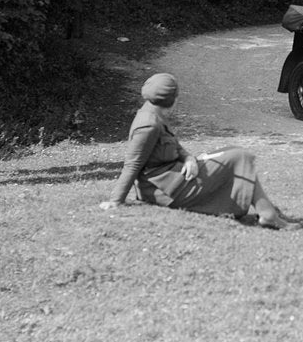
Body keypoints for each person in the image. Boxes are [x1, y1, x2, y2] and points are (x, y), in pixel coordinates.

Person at [99, 73, 292, 229]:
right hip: (166, 189)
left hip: (175, 178)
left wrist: (189, 158)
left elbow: (173, 146)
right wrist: (116, 201)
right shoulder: (147, 125)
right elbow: (132, 164)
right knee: (239, 156)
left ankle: (267, 211)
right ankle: (268, 213)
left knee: (235, 153)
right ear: (171, 100)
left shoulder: (153, 113)